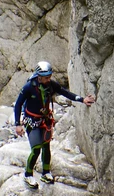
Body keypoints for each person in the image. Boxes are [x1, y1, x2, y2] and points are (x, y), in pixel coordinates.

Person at [14, 60, 95, 189]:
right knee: (36, 149)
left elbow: (65, 93)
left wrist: (82, 99)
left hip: (45, 120)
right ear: (39, 76)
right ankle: (28, 174)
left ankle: (46, 173)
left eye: (49, 76)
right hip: (32, 121)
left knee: (46, 147)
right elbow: (18, 104)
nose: (49, 79)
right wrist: (17, 124)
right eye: (46, 77)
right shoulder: (29, 87)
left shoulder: (51, 85)